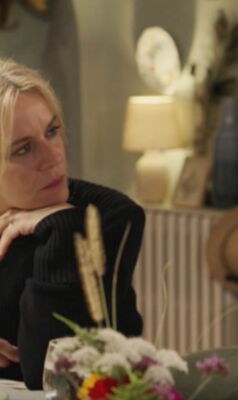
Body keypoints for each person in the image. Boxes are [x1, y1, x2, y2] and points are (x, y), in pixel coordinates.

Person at [0, 59, 144, 389]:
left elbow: (49, 374)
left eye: (51, 131)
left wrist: (62, 226)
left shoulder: (107, 218)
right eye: (24, 148)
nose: (54, 155)